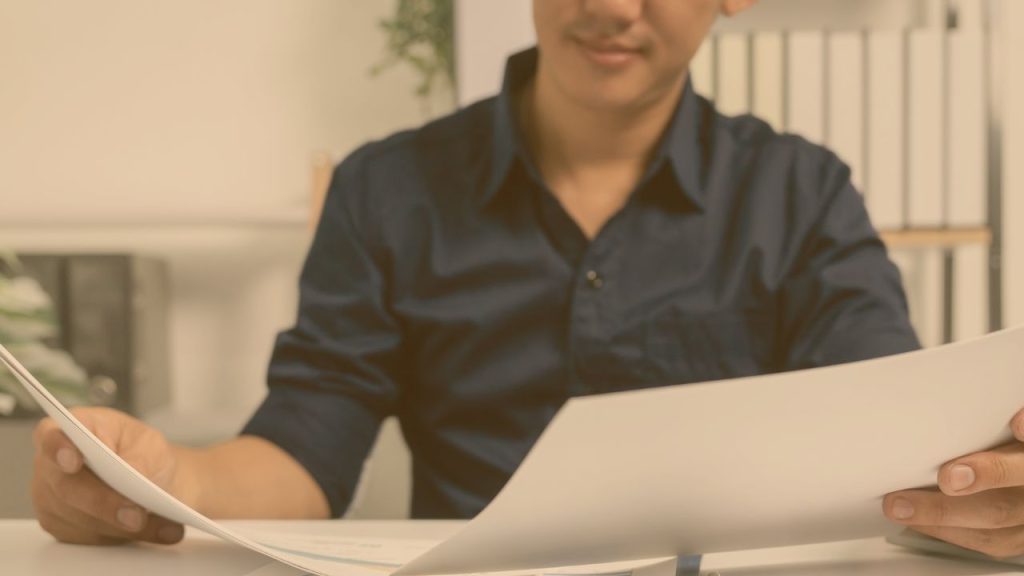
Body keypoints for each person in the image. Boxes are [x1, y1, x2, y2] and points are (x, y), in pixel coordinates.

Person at [30, 0, 1024, 559]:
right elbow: (306, 447)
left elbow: (883, 439)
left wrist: (979, 487)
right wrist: (164, 481)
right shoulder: (388, 187)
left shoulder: (798, 190)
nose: (611, 8)